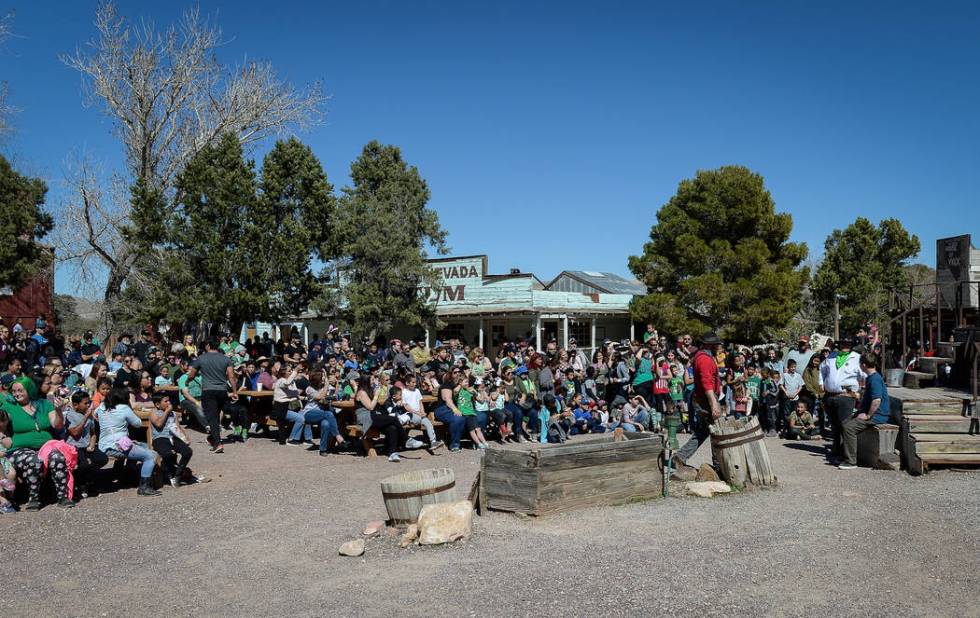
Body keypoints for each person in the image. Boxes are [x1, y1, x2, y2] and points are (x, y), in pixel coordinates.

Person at [3, 377, 70, 509]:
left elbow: (57, 425)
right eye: (14, 391)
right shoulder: (9, 407)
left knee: (57, 457)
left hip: (46, 446)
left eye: (20, 390)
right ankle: (34, 498)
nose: (16, 394)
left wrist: (58, 411)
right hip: (19, 449)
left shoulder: (44, 404)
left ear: (29, 389)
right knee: (33, 460)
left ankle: (63, 497)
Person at [672, 332, 723, 474]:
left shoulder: (702, 357)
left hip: (703, 399)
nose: (718, 347)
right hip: (706, 400)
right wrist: (714, 404)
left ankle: (679, 457)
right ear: (708, 345)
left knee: (703, 432)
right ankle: (719, 467)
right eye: (715, 344)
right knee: (716, 431)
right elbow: (707, 384)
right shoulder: (705, 360)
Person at [98, 387, 161, 497]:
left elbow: (95, 414)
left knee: (144, 446)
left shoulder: (101, 407)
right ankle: (144, 487)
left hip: (103, 445)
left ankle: (129, 474)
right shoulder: (123, 408)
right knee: (152, 455)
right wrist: (130, 410)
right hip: (117, 446)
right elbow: (138, 423)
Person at [184, 338, 238, 452]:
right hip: (222, 391)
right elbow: (231, 377)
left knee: (212, 418)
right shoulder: (225, 359)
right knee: (218, 415)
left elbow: (192, 374)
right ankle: (212, 437)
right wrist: (234, 391)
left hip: (208, 391)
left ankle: (218, 443)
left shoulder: (201, 358)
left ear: (208, 346)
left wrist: (187, 381)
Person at [839, 353, 891, 470]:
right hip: (870, 413)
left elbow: (876, 401)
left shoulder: (875, 379)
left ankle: (851, 461)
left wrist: (868, 415)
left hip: (878, 415)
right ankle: (845, 454)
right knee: (845, 423)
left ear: (863, 365)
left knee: (849, 428)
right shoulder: (871, 378)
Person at [819, 338, 864, 463]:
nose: (845, 346)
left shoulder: (857, 358)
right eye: (843, 344)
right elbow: (822, 369)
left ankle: (845, 454)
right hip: (830, 395)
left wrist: (859, 391)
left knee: (845, 425)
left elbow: (864, 375)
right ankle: (836, 449)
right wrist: (821, 382)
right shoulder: (832, 356)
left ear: (851, 345)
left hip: (846, 396)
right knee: (834, 425)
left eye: (848, 344)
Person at [354, 374, 410, 462]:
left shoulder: (369, 390)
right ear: (366, 381)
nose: (374, 381)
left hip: (373, 416)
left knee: (392, 428)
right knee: (393, 419)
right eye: (372, 380)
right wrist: (376, 395)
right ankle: (406, 439)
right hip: (365, 418)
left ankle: (392, 453)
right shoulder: (361, 392)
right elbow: (371, 407)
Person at [63, 390, 107, 499]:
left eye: (89, 403)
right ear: (76, 405)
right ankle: (81, 484)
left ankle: (87, 480)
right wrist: (85, 417)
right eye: (85, 403)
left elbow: (93, 433)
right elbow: (75, 433)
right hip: (74, 447)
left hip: (86, 446)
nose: (88, 405)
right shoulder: (70, 415)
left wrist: (92, 444)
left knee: (102, 459)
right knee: (83, 465)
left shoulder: (88, 415)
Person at [149, 392, 194, 486]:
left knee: (187, 452)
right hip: (160, 438)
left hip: (173, 437)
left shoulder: (173, 414)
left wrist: (185, 437)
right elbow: (158, 424)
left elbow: (177, 427)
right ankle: (171, 472)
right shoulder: (154, 412)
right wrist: (166, 412)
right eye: (166, 401)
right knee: (167, 454)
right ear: (157, 404)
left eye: (169, 400)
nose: (169, 403)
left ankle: (177, 474)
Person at [433, 369, 467, 453]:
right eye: (455, 372)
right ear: (450, 374)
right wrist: (455, 409)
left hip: (455, 408)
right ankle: (454, 444)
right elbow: (447, 399)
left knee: (465, 418)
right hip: (443, 409)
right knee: (458, 419)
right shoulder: (446, 385)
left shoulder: (461, 385)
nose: (458, 374)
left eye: (459, 372)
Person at [778, 359, 804, 434]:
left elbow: (801, 386)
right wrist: (786, 392)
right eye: (792, 367)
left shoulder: (798, 375)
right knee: (786, 414)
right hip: (787, 398)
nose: (793, 368)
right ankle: (786, 429)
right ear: (788, 367)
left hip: (795, 398)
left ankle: (794, 430)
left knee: (795, 413)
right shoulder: (784, 375)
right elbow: (780, 385)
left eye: (794, 367)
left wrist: (796, 393)